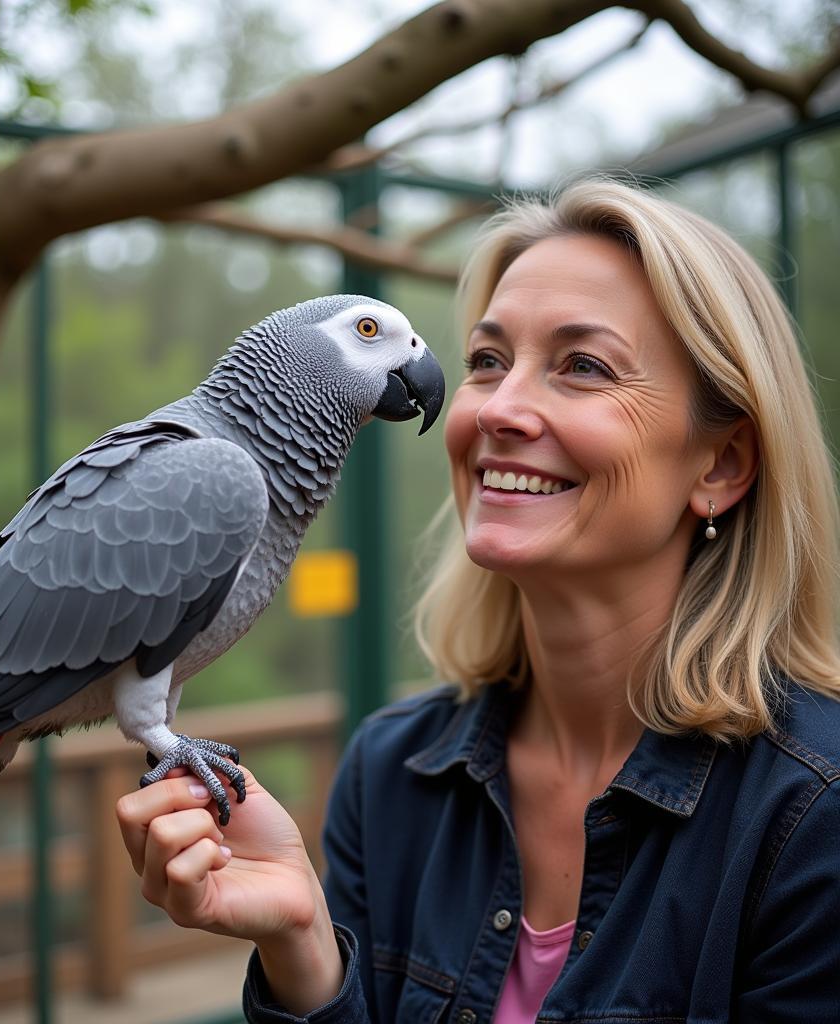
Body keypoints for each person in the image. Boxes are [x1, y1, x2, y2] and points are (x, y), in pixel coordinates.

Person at [114, 178, 840, 1023]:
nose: (499, 408)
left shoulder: (813, 818)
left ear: (719, 467)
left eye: (583, 367)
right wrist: (305, 947)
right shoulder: (392, 775)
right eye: (488, 361)